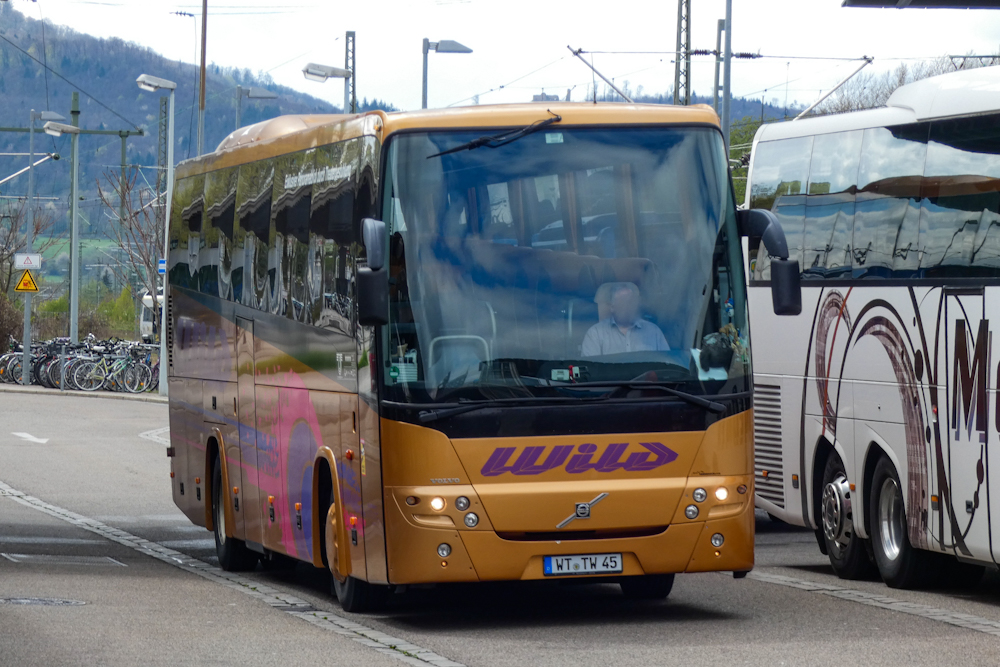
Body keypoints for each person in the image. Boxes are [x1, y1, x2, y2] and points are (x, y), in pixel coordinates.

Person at [581, 282, 669, 356]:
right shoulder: (595, 334)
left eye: (631, 302)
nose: (627, 306)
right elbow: (591, 369)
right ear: (612, 307)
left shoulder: (654, 332)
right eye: (622, 302)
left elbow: (666, 365)